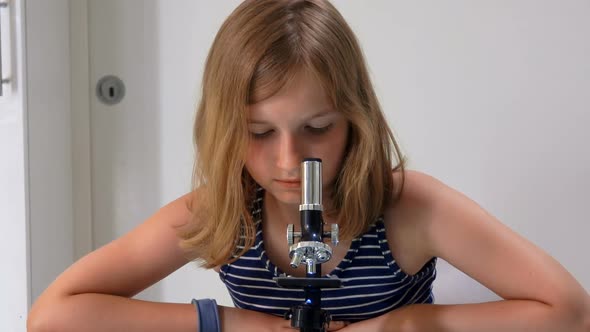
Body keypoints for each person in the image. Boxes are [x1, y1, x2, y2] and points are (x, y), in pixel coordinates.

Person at [28, 0, 590, 331]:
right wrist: (232, 324)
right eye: (258, 132)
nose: (289, 160)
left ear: (356, 118)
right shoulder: (222, 210)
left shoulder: (410, 208)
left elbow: (569, 310)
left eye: (317, 128)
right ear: (226, 129)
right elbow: (54, 315)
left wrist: (407, 326)